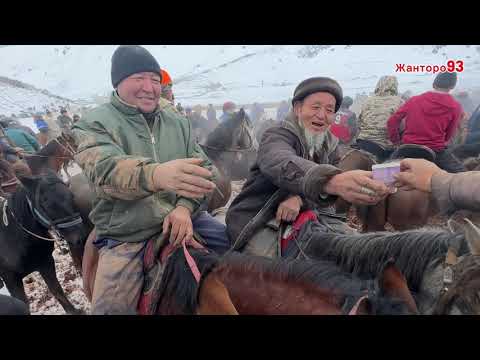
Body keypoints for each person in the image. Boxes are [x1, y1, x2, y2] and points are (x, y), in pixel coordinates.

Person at [72, 45, 230, 315]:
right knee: (111, 310)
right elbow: (104, 171)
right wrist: (157, 175)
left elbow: (204, 168)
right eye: (139, 78)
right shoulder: (93, 124)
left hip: (186, 219)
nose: (149, 87)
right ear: (119, 82)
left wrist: (183, 208)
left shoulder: (177, 121)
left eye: (155, 80)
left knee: (241, 255)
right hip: (127, 234)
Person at [226, 77, 391, 256]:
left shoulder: (331, 144)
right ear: (298, 108)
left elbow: (325, 196)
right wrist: (331, 180)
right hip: (258, 218)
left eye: (329, 110)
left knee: (357, 251)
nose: (322, 115)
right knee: (276, 270)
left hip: (310, 217)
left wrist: (299, 199)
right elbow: (279, 160)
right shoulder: (277, 135)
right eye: (315, 107)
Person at [387, 72, 465, 173]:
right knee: (461, 174)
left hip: (407, 148)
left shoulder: (414, 100)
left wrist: (396, 141)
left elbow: (392, 121)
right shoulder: (455, 106)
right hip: (435, 151)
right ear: (452, 86)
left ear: (433, 84)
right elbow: (449, 134)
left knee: (383, 172)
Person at [394, 158, 480, 214]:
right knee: (458, 168)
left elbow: (393, 132)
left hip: (405, 144)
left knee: (391, 161)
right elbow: (448, 135)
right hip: (437, 149)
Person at [356, 76, 404, 161]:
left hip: (362, 143)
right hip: (384, 147)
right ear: (395, 86)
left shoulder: (367, 101)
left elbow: (359, 123)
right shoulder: (399, 102)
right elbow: (402, 128)